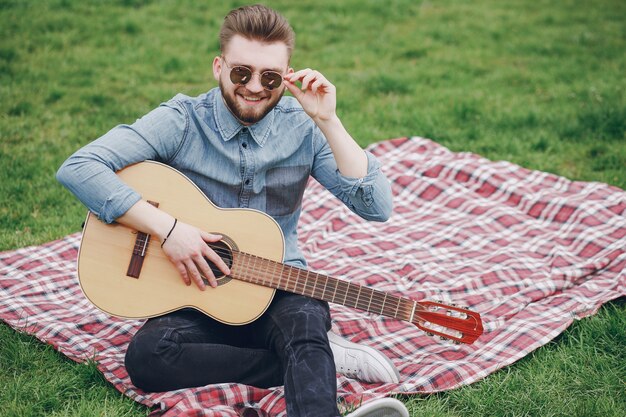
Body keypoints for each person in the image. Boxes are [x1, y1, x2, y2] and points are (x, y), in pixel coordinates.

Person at [57, 4, 408, 417]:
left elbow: (377, 207)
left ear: (288, 75)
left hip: (278, 284)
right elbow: (79, 167)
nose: (255, 87)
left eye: (270, 77)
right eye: (242, 73)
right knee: (148, 357)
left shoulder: (303, 128)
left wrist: (329, 121)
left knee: (304, 321)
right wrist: (169, 230)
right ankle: (306, 361)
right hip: (192, 292)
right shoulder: (182, 120)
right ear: (218, 67)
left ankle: (309, 363)